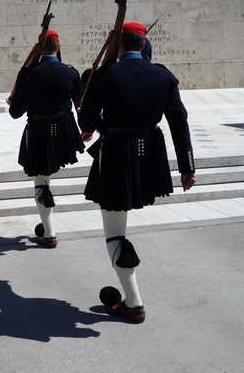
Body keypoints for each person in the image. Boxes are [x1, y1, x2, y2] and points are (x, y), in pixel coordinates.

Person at [78, 22, 196, 323]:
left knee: (115, 232)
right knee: (118, 229)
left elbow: (87, 120)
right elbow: (179, 121)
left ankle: (133, 302)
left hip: (117, 153)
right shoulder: (163, 75)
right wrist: (187, 168)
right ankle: (131, 299)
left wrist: (92, 123)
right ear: (144, 45)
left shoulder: (105, 75)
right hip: (150, 154)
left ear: (120, 46)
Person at [8, 30, 85, 248]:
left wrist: (12, 101)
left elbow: (16, 113)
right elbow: (79, 102)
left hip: (40, 130)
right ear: (59, 48)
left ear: (39, 49)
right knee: (45, 178)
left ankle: (49, 233)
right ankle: (47, 226)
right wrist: (87, 128)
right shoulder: (70, 72)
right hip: (64, 130)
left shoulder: (28, 74)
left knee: (41, 180)